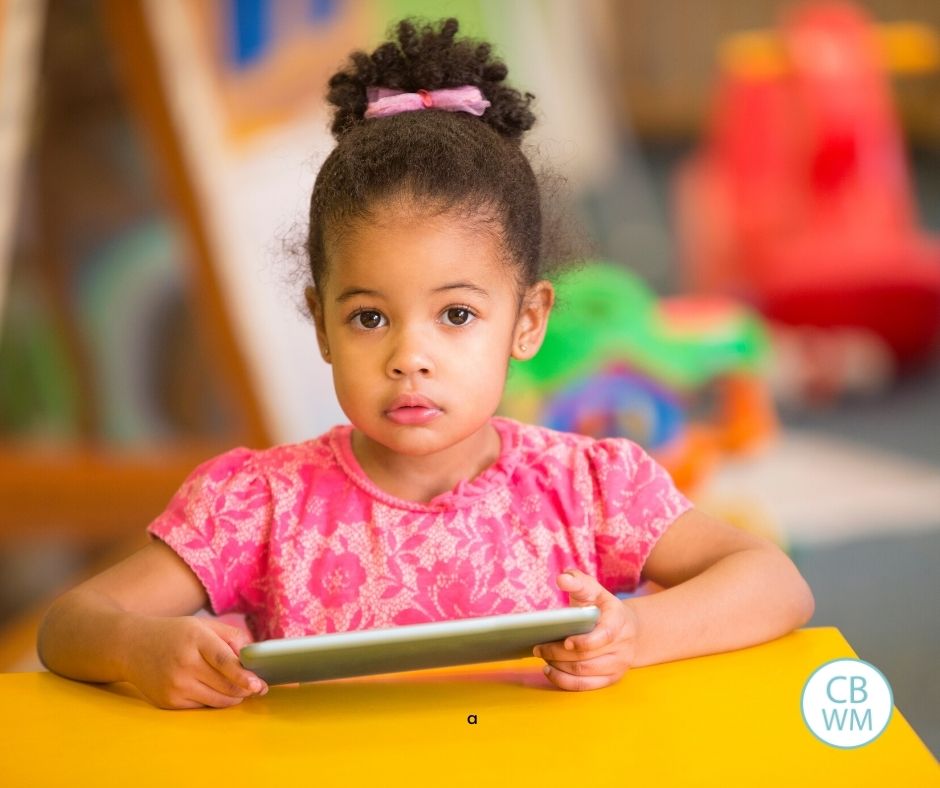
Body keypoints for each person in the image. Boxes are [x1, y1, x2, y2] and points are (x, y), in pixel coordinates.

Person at [37, 18, 814, 710]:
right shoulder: (257, 505)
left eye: (457, 315)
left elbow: (775, 583)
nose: (410, 357)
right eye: (369, 317)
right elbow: (71, 624)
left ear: (528, 321)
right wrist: (141, 651)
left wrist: (637, 630)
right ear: (321, 326)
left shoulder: (589, 489)